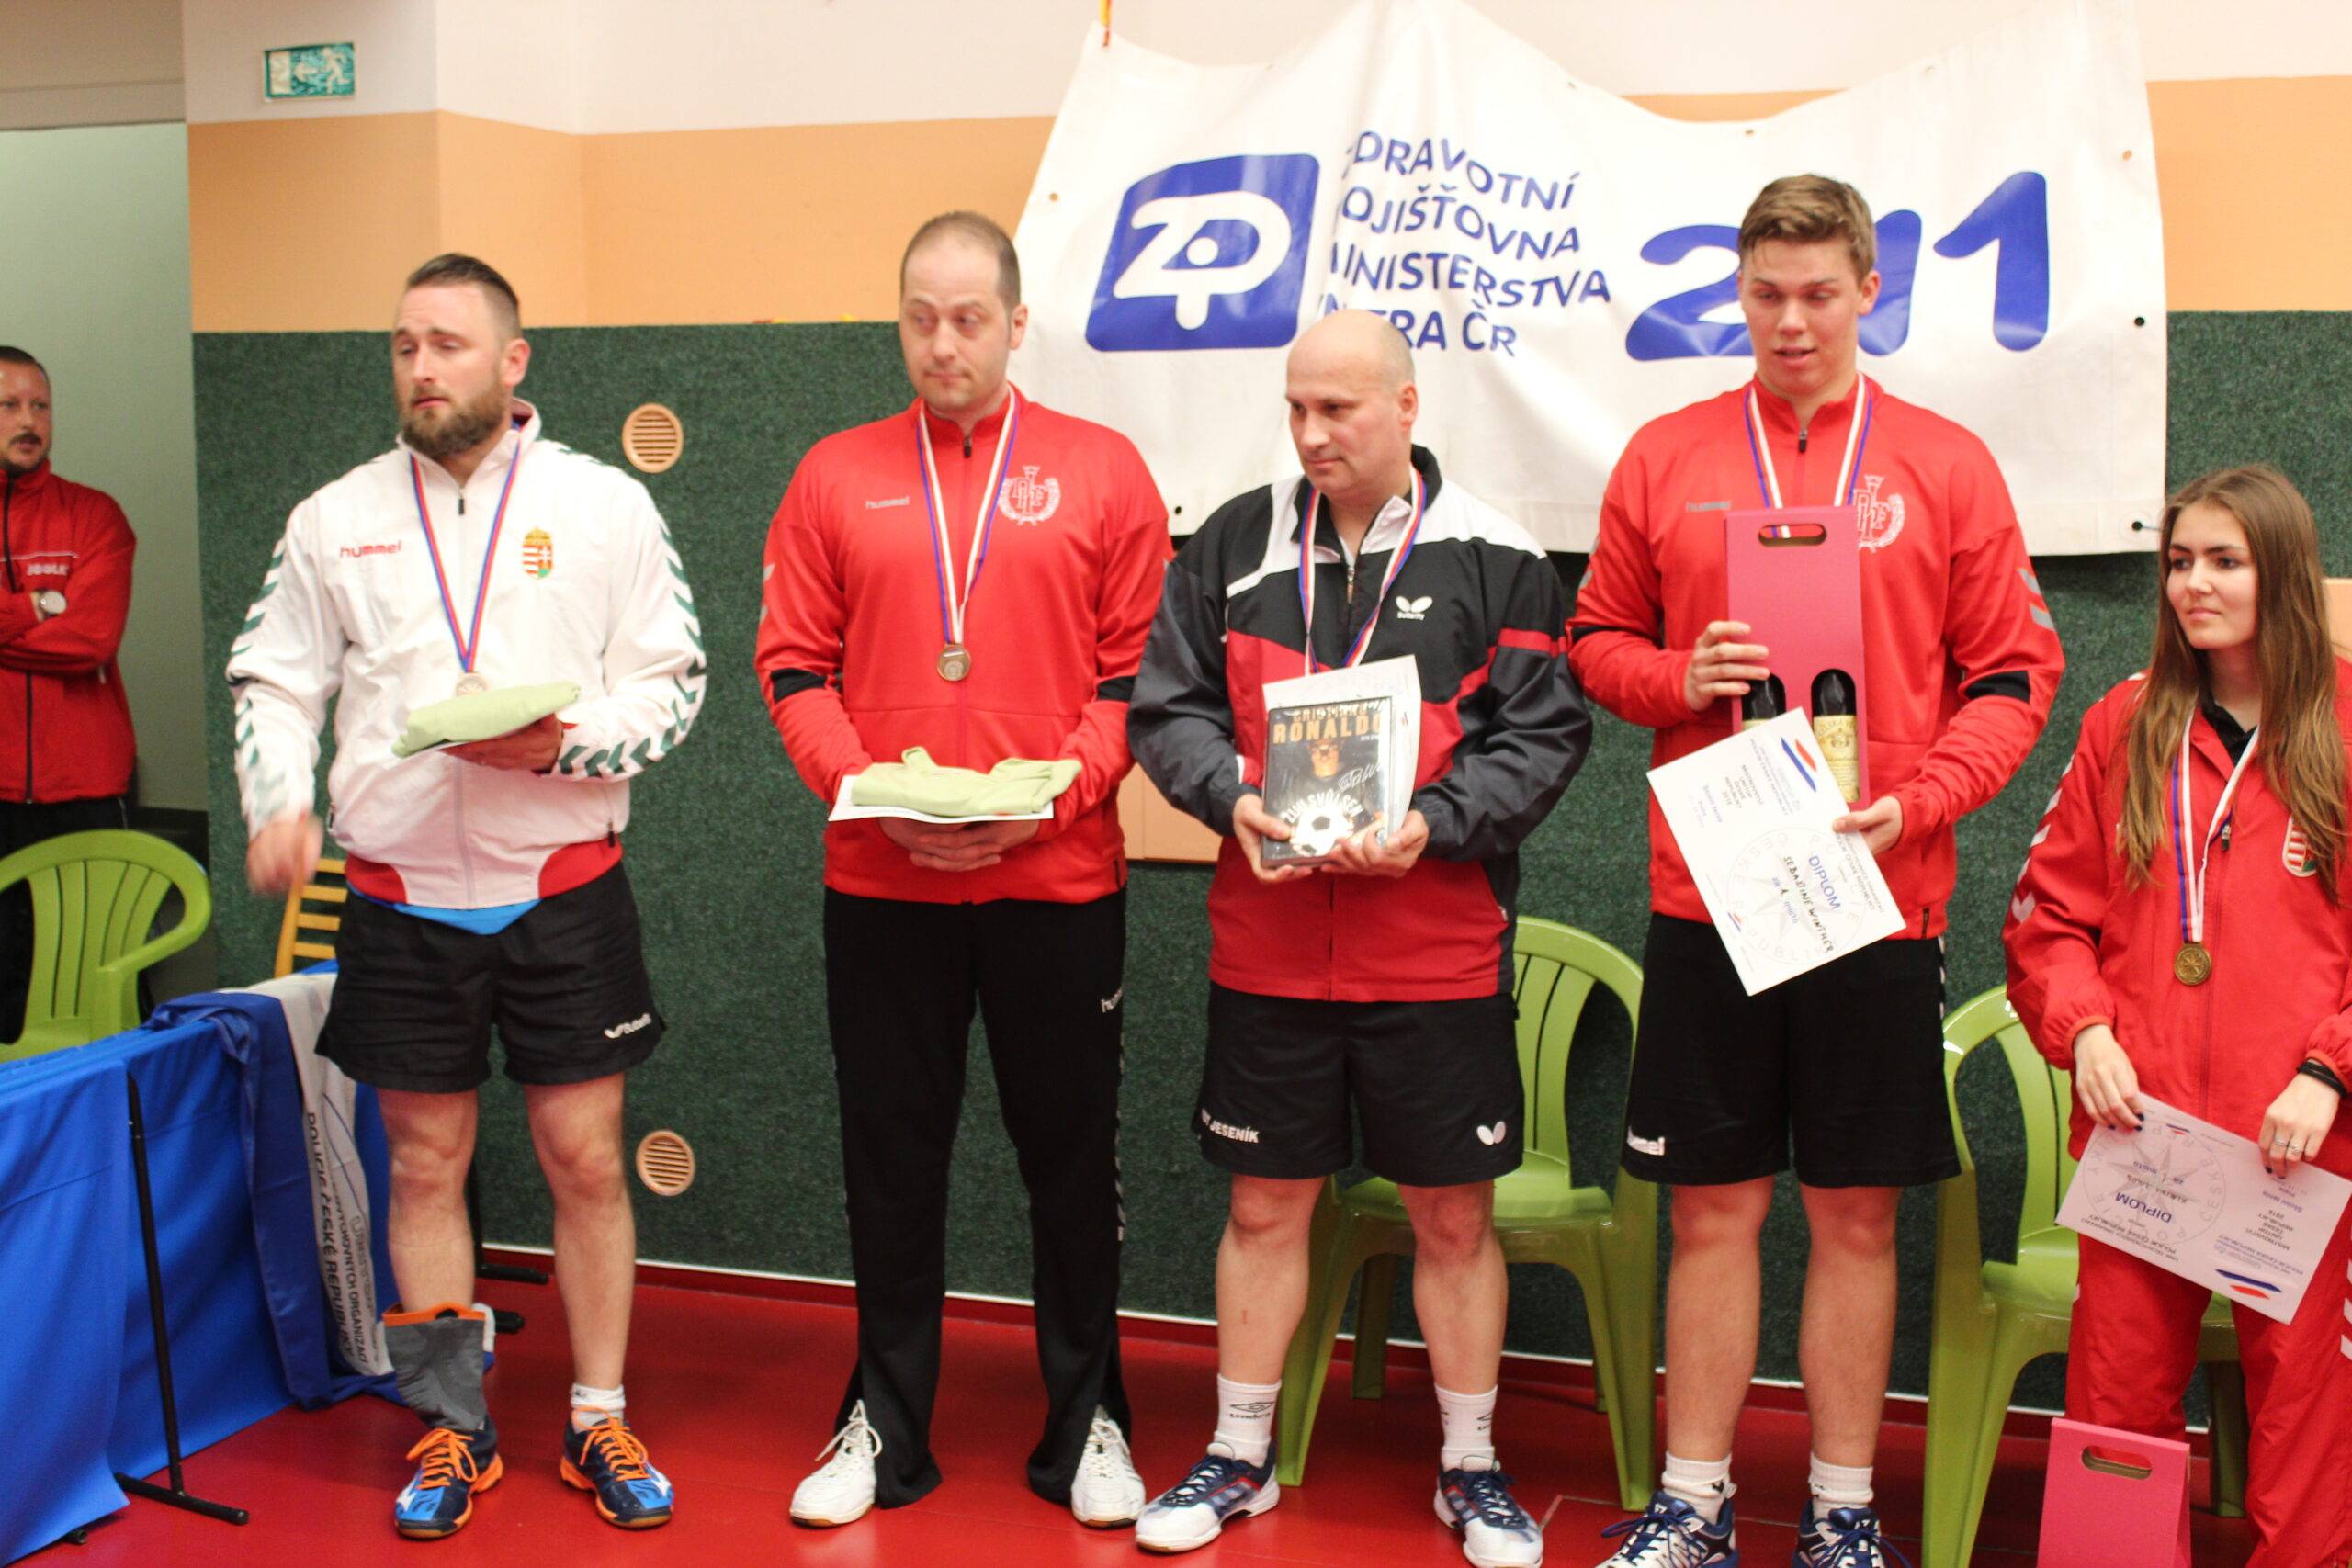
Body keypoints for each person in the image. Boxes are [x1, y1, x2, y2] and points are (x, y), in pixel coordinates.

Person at [1569, 175, 2064, 1568]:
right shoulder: (1664, 454)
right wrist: (1678, 675)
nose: (1791, 321)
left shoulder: (1945, 463)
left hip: (1877, 895)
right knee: (1712, 1207)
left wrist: (1924, 799)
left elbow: (2015, 674)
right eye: (1766, 294)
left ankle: (1843, 1512)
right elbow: (1595, 639)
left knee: (1853, 1212)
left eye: (1819, 294)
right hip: (1711, 891)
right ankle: (1694, 1503)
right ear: (1739, 292)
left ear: (1867, 293)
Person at [230, 254, 705, 1538]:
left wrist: (563, 746)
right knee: (426, 1163)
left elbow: (672, 682)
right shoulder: (334, 517)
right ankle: (453, 1425)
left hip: (563, 887)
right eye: (403, 346)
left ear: (513, 359)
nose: (422, 367)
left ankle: (598, 1414)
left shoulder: (603, 506)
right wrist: (277, 800)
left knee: (585, 1159)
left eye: (447, 342)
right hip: (400, 895)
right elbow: (274, 677)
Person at [1126, 310, 1590, 1568]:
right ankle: (1239, 1452)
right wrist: (1229, 793)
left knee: (1453, 1218)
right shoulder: (1231, 545)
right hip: (1269, 946)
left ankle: (1471, 1465)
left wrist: (1436, 823)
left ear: (1406, 405)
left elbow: (1543, 737)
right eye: (1296, 407)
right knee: (1264, 1204)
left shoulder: (1499, 557)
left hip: (1434, 952)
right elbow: (1165, 709)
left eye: (1337, 407)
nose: (1311, 432)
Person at [756, 210, 1170, 1530]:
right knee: (890, 1161)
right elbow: (793, 667)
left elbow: (1138, 680)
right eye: (922, 318)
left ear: (1016, 321)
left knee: (1072, 1165)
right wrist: (866, 791)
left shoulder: (1103, 471)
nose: (944, 343)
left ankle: (1089, 1420)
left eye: (970, 318)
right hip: (885, 886)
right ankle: (882, 1425)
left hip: (1057, 883)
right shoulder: (833, 473)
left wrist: (1048, 800)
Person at [2005, 465, 2352, 1568]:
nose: (2192, 584)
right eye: (2177, 562)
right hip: (2142, 1136)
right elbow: (2046, 918)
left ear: (2280, 572)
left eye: (2223, 561)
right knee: (2115, 1410)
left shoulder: (2346, 721)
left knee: (2307, 1423)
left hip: (2300, 1148)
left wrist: (2329, 1072)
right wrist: (2085, 1030)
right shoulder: (2127, 723)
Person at [0, 345, 138, 1042]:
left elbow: (91, 641)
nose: (29, 422)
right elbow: (64, 628)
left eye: (40, 406)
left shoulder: (94, 515)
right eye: (8, 406)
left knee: (96, 979)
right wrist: (37, 606)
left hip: (85, 788)